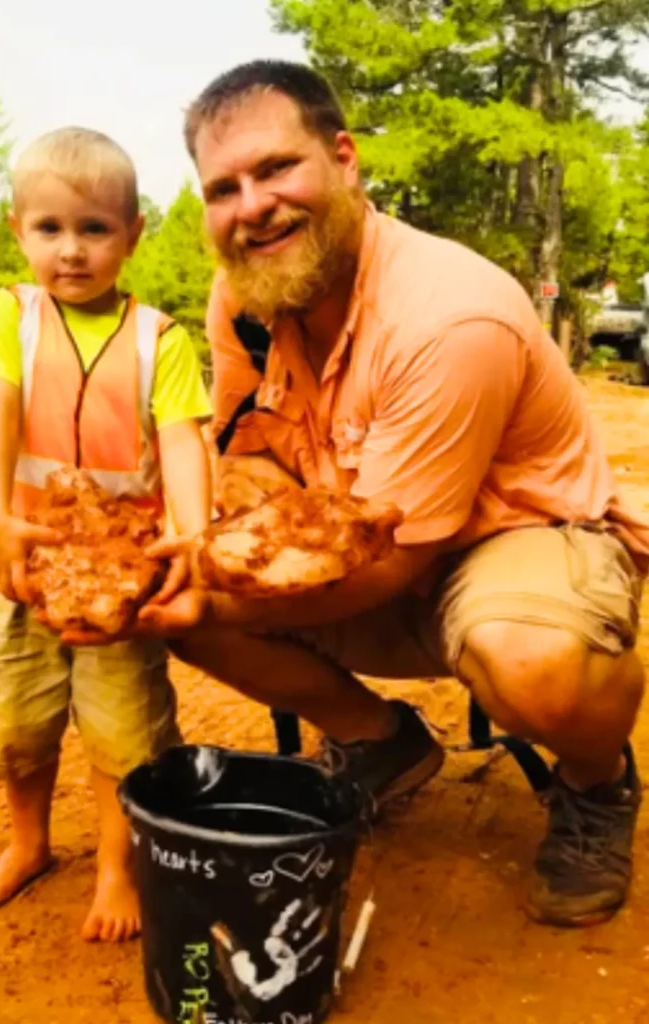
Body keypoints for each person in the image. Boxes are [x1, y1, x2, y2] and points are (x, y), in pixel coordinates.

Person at [138, 61, 649, 929]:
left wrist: (218, 568)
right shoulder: (246, 300)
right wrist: (220, 526)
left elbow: (389, 561)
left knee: (525, 657)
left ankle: (597, 783)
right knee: (175, 598)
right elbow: (243, 451)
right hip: (360, 546)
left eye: (275, 169)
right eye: (222, 187)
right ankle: (382, 744)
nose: (252, 205)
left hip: (505, 545)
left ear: (344, 159)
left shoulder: (448, 316)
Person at [0, 127, 212, 942]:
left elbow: (181, 442)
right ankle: (27, 845)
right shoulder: (5, 315)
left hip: (122, 578)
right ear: (16, 229)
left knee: (121, 727)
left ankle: (114, 868)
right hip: (21, 562)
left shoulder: (160, 339)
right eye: (50, 228)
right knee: (17, 720)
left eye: (95, 229)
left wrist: (193, 534)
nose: (72, 251)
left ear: (132, 234)